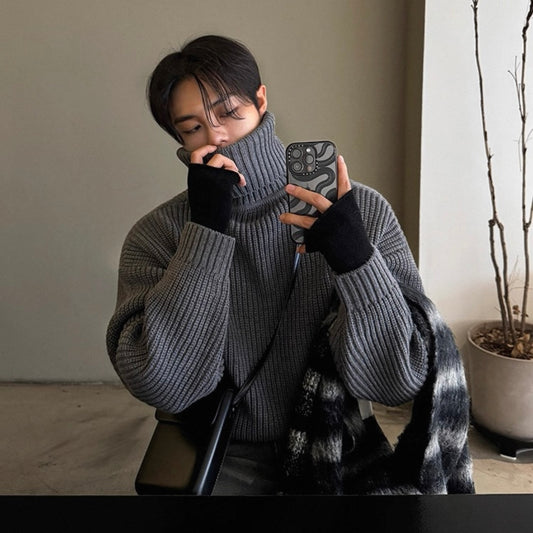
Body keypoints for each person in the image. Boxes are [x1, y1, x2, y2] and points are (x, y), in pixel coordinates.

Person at [106, 35, 432, 495]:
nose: (216, 136)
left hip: (338, 447)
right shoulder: (158, 234)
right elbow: (164, 385)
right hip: (223, 449)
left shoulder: (359, 212)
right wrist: (206, 232)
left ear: (260, 100)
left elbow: (397, 381)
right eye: (193, 127)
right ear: (178, 137)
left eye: (228, 112)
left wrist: (355, 259)